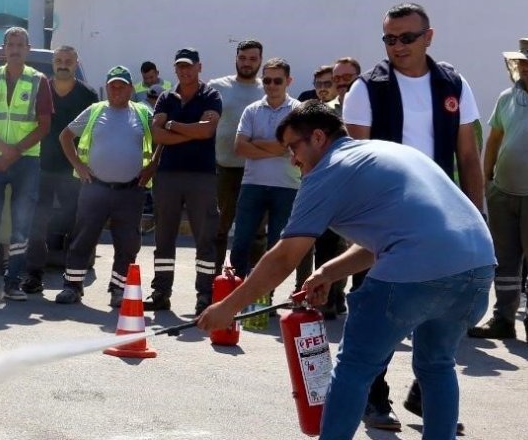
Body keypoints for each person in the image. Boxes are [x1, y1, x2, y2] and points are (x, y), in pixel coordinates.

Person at [197, 101, 495, 440]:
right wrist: (328, 272)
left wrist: (228, 308)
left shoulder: (328, 170)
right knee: (436, 364)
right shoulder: (383, 152)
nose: (292, 159)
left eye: (294, 147)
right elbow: (388, 239)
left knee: (354, 366)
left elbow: (284, 257)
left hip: (416, 269)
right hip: (477, 266)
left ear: (319, 137)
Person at [341, 2, 483, 431]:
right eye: (389, 38)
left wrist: (477, 221)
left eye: (406, 37)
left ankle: (426, 397)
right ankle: (374, 398)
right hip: (387, 221)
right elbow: (355, 162)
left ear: (428, 36)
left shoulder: (453, 84)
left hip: (443, 221)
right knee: (377, 313)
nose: (397, 46)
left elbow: (469, 157)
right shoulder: (367, 89)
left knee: (438, 313)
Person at [467, 37, 528, 347]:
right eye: (524, 60)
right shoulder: (507, 98)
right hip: (504, 191)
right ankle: (502, 318)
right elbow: (495, 138)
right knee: (504, 259)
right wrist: (487, 180)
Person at [55, 66, 157, 306]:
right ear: (107, 88)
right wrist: (79, 166)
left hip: (131, 190)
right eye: (113, 85)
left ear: (131, 88)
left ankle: (118, 290)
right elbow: (65, 136)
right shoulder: (95, 110)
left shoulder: (143, 113)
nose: (117, 90)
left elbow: (160, 140)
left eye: (123, 85)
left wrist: (153, 165)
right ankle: (72, 286)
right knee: (82, 238)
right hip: (95, 188)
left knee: (127, 243)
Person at [0, 27, 53, 301]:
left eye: (20, 45)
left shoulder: (39, 80)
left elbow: (45, 125)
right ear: (4, 49)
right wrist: (3, 150)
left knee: (21, 225)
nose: (15, 49)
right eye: (11, 44)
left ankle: (13, 282)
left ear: (28, 49)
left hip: (26, 160)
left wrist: (14, 151)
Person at [149, 48, 222, 314]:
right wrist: (191, 131)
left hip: (201, 176)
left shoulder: (211, 95)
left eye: (189, 66)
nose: (184, 71)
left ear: (199, 67)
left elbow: (207, 130)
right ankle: (160, 292)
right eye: (180, 67)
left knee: (204, 238)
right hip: (168, 175)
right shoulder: (166, 97)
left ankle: (205, 295)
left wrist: (172, 125)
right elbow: (157, 135)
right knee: (164, 237)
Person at [26, 45, 98, 294]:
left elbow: (93, 134)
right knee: (37, 225)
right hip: (40, 168)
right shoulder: (39, 89)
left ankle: (72, 280)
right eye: (59, 60)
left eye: (68, 60)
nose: (63, 64)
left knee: (75, 226)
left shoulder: (88, 95)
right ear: (53, 64)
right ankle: (34, 276)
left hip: (74, 172)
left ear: (76, 63)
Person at [229, 58, 303, 281]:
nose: (271, 85)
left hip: (287, 187)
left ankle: (265, 296)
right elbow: (240, 147)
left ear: (288, 81)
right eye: (267, 80)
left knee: (276, 247)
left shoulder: (298, 111)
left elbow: (292, 147)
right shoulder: (252, 110)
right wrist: (278, 147)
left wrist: (257, 142)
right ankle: (237, 292)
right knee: (241, 243)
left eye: (277, 81)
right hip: (253, 185)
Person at [208, 40, 263, 274]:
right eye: (243, 58)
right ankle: (212, 283)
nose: (247, 63)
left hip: (257, 170)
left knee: (256, 232)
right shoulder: (217, 86)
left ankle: (252, 285)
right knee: (218, 229)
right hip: (223, 169)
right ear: (236, 59)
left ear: (260, 60)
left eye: (252, 59)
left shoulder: (267, 89)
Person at [315, 56, 362, 318]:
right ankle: (328, 302)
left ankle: (360, 304)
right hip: (331, 189)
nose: (342, 83)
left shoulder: (371, 108)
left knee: (363, 248)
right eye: (338, 79)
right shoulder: (324, 112)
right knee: (326, 247)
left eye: (348, 77)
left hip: (363, 189)